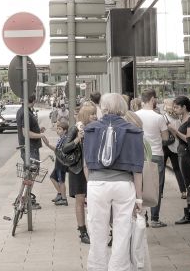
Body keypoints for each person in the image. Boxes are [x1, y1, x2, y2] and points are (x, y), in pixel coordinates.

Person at [83, 93, 144, 270]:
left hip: (97, 184)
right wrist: (139, 199)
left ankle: (97, 267)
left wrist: (91, 186)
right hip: (124, 185)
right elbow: (138, 169)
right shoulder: (133, 130)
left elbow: (86, 165)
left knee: (97, 232)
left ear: (103, 107)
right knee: (122, 232)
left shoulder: (90, 129)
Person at [135, 89, 169, 228]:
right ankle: (155, 218)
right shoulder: (159, 117)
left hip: (139, 155)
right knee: (156, 187)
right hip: (156, 154)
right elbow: (166, 138)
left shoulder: (135, 116)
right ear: (153, 99)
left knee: (140, 186)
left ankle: (143, 214)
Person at [65, 103, 96, 245]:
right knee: (80, 199)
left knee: (94, 200)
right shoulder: (75, 128)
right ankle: (82, 231)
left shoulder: (95, 128)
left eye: (95, 113)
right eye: (92, 114)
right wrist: (77, 139)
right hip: (77, 170)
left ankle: (96, 229)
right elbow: (65, 148)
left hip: (91, 168)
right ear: (85, 116)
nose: (95, 116)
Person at [168, 95, 190, 224]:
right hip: (182, 152)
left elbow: (188, 138)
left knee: (189, 183)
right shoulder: (183, 118)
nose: (175, 109)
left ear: (184, 107)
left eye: (176, 107)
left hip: (186, 153)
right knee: (188, 183)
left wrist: (174, 130)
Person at [16, 94, 46, 209]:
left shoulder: (23, 110)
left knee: (28, 175)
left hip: (29, 147)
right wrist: (41, 135)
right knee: (31, 175)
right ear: (33, 101)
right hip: (30, 148)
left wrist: (38, 130)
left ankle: (21, 199)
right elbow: (26, 133)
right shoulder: (25, 113)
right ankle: (25, 201)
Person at [41, 120, 69, 206]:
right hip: (58, 162)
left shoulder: (65, 139)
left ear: (65, 130)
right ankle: (60, 194)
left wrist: (48, 145)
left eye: (60, 129)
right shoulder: (61, 138)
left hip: (61, 163)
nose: (58, 131)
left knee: (61, 181)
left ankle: (64, 199)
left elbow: (58, 151)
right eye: (57, 129)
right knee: (53, 177)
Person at [162, 98, 186, 199]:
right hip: (175, 145)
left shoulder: (163, 117)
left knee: (161, 169)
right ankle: (183, 191)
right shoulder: (178, 118)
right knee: (177, 169)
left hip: (164, 145)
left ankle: (160, 192)